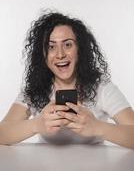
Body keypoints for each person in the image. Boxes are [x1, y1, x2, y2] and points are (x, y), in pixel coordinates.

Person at [0, 10, 134, 148]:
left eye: (67, 45)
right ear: (43, 55)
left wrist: (98, 127)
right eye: (51, 47)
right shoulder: (35, 89)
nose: (60, 54)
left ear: (79, 49)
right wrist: (36, 125)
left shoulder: (102, 87)